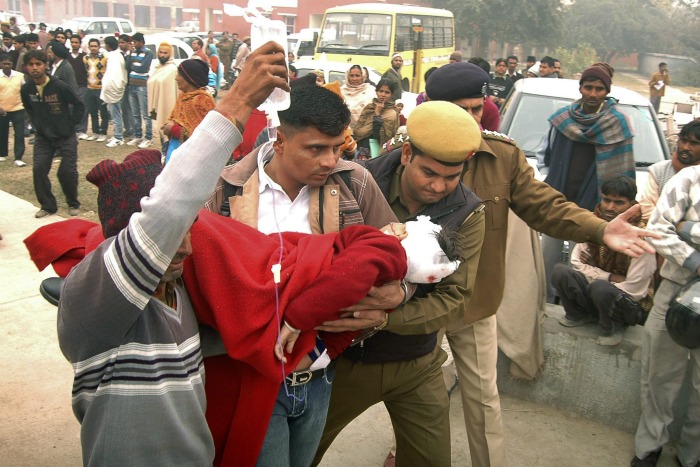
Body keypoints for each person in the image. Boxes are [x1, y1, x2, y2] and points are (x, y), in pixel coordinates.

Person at [406, 60, 658, 467]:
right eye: (460, 110)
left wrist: (599, 229)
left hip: (475, 301)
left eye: (477, 108)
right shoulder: (408, 154)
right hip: (419, 303)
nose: (471, 119)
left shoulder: (501, 155)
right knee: (418, 395)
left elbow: (546, 206)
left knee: (484, 399)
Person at [54, 40, 292, 465]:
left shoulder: (179, 293)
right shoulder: (102, 294)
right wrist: (237, 101)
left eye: (190, 229)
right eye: (170, 235)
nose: (185, 246)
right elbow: (169, 207)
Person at [204, 83, 402, 467]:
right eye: (316, 149)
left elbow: (395, 254)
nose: (330, 161)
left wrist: (397, 297)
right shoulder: (225, 188)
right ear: (280, 140)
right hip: (250, 375)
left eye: (337, 147)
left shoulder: (355, 183)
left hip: (322, 377)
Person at [313, 100, 486, 467]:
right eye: (429, 173)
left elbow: (455, 298)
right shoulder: (354, 182)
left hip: (416, 361)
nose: (439, 187)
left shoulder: (469, 211)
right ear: (406, 153)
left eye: (452, 177)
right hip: (343, 361)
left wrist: (386, 316)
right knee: (300, 453)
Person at [539, 63, 636, 304]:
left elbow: (624, 172)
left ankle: (573, 305)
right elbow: (545, 157)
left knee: (579, 262)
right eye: (588, 87)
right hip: (557, 202)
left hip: (593, 207)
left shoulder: (617, 123)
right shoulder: (561, 120)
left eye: (599, 89)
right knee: (546, 257)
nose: (593, 93)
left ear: (607, 91)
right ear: (580, 88)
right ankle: (545, 302)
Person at [631, 165, 700, 467]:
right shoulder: (689, 179)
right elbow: (658, 229)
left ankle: (692, 456)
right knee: (659, 375)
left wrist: (687, 227)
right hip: (675, 287)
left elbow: (675, 228)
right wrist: (696, 261)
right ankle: (649, 446)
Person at [552, 176, 656, 346]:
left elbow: (635, 289)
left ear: (631, 205)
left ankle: (614, 326)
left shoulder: (640, 235)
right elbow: (577, 263)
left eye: (619, 203)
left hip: (628, 305)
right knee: (561, 272)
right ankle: (580, 315)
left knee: (600, 288)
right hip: (599, 292)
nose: (610, 207)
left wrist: (601, 287)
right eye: (606, 200)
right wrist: (609, 277)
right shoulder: (594, 223)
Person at [21, 49, 85, 218]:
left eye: (38, 64)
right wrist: (38, 126)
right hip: (43, 137)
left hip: (65, 135)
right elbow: (28, 108)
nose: (35, 68)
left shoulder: (59, 86)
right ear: (26, 67)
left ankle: (73, 203)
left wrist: (70, 125)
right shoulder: (26, 89)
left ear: (45, 65)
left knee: (67, 171)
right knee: (39, 169)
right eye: (31, 64)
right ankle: (48, 206)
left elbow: (79, 105)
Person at [639, 119, 700, 221]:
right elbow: (646, 207)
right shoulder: (659, 170)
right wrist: (672, 227)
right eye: (683, 141)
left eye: (694, 143)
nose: (685, 147)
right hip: (657, 233)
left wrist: (687, 229)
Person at [162, 59, 215, 163]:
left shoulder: (203, 100)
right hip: (174, 150)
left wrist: (174, 129)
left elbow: (205, 136)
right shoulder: (182, 97)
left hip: (193, 159)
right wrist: (168, 126)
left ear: (190, 78)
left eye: (180, 76)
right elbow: (172, 120)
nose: (176, 79)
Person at [352, 78, 399, 159]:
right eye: (381, 91)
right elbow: (358, 131)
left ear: (391, 95)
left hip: (378, 153)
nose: (383, 95)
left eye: (387, 92)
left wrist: (377, 114)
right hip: (362, 149)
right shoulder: (369, 108)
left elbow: (384, 138)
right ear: (376, 92)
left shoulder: (392, 114)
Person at [147, 42, 179, 154]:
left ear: (170, 54)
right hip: (158, 107)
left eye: (165, 53)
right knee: (161, 132)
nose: (162, 55)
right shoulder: (157, 68)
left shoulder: (173, 69)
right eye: (160, 52)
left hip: (169, 106)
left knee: (169, 135)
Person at [126, 32, 154, 149]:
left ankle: (148, 137)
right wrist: (130, 55)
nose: (134, 44)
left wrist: (133, 65)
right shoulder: (133, 53)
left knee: (145, 113)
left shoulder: (148, 52)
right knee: (135, 113)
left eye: (136, 42)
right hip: (132, 84)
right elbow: (127, 66)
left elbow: (142, 68)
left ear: (141, 42)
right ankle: (138, 135)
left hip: (142, 86)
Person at [101, 36, 128, 148]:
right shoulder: (115, 55)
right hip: (112, 89)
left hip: (114, 89)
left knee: (115, 113)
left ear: (108, 45)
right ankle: (117, 134)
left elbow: (115, 75)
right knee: (114, 113)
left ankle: (118, 137)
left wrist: (111, 88)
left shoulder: (115, 57)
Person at [0, 52, 26, 166]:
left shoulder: (19, 76)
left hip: (18, 108)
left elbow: (24, 91)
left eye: (9, 63)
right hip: (2, 109)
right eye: (4, 64)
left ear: (12, 64)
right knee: (2, 132)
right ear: (1, 64)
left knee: (19, 133)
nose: (7, 66)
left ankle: (18, 157)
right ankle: (2, 154)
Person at [83, 38, 109, 142]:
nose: (93, 48)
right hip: (90, 88)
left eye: (95, 46)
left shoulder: (104, 58)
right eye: (91, 46)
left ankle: (103, 132)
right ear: (89, 47)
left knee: (103, 112)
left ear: (99, 47)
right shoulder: (85, 58)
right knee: (92, 112)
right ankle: (95, 132)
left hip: (101, 88)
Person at [66, 35, 89, 140]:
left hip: (82, 85)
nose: (74, 44)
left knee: (83, 107)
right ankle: (73, 129)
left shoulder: (85, 57)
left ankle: (82, 130)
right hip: (70, 86)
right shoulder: (67, 56)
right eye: (72, 42)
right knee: (70, 108)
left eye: (76, 42)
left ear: (80, 44)